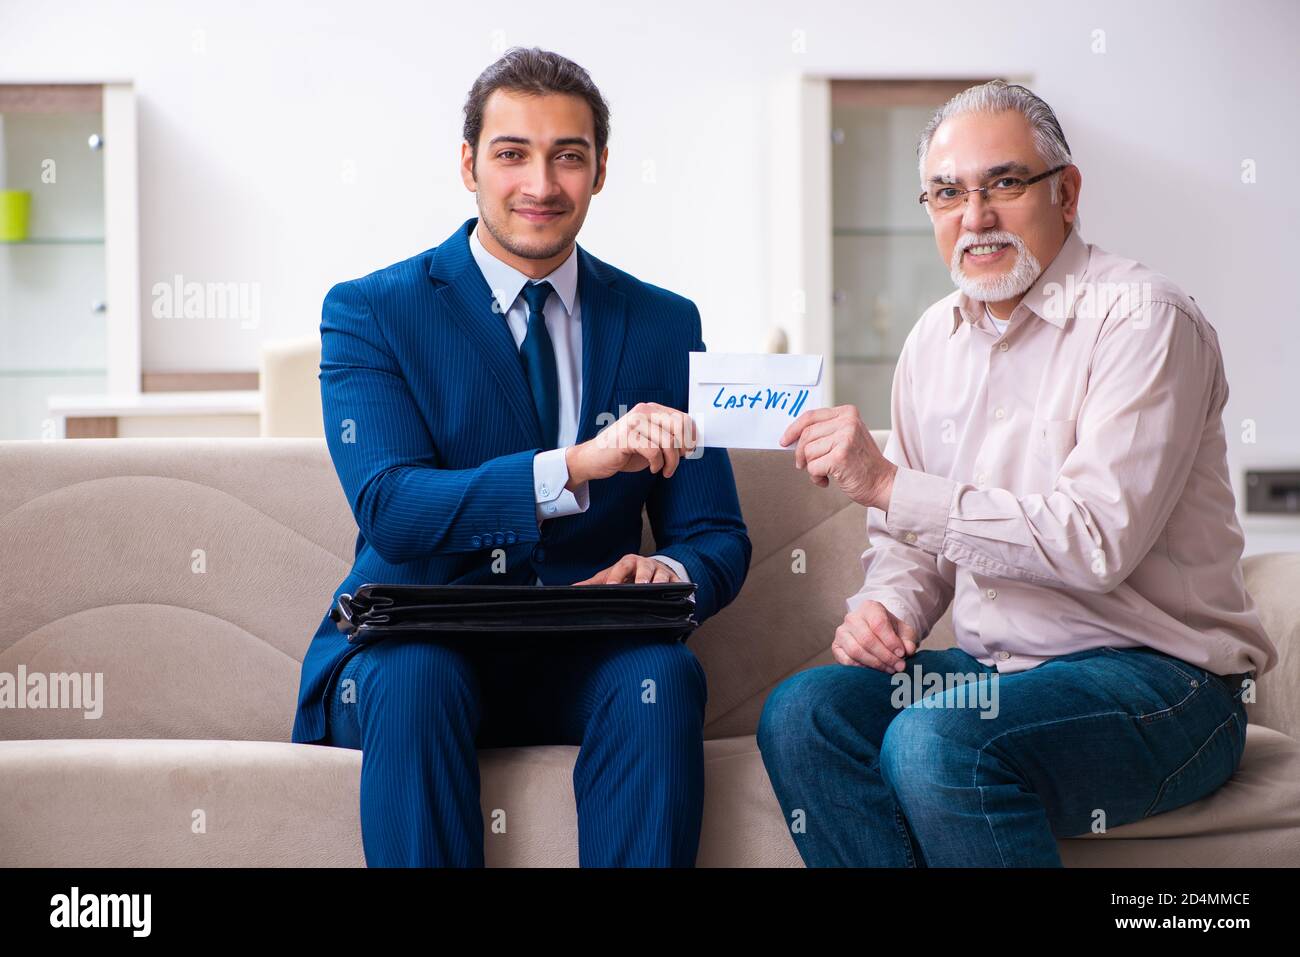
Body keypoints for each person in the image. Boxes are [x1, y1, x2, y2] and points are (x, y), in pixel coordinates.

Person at [758, 79, 1276, 867]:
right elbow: (916, 545)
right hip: (1000, 675)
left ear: (1066, 193)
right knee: (805, 711)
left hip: (1167, 686)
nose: (974, 217)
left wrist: (891, 484)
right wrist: (889, 608)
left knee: (937, 742)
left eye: (1003, 183)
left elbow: (1094, 542)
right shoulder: (933, 340)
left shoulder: (1144, 320)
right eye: (946, 193)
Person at [289, 46, 750, 867]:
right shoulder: (371, 312)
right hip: (415, 651)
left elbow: (715, 532)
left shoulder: (663, 324)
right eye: (512, 154)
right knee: (417, 677)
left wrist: (668, 574)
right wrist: (579, 463)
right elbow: (392, 508)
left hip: (583, 652)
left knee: (661, 677)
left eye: (568, 156)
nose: (541, 184)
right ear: (468, 164)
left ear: (601, 170)